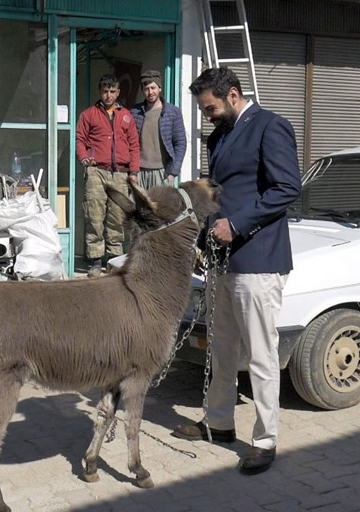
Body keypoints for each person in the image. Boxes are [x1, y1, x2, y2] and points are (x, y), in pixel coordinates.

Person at [172, 67, 302, 475]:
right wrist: (201, 228)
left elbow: (287, 188)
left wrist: (238, 224)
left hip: (258, 261)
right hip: (222, 259)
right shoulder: (220, 135)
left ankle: (265, 440)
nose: (207, 116)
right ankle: (220, 423)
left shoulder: (270, 127)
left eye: (210, 107)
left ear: (232, 94)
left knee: (261, 355)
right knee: (221, 348)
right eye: (203, 110)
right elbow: (221, 192)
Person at [76, 74, 140, 277]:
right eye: (105, 91)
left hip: (120, 174)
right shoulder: (89, 115)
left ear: (118, 92)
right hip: (97, 172)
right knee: (94, 215)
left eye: (113, 91)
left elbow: (134, 145)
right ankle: (95, 260)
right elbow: (80, 139)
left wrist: (134, 171)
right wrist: (84, 158)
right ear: (100, 91)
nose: (109, 95)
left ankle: (113, 260)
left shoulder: (126, 116)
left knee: (117, 218)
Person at [130, 70, 187, 189]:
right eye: (146, 89)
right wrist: (132, 172)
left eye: (153, 88)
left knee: (161, 207)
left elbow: (180, 143)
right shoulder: (135, 112)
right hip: (139, 173)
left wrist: (172, 173)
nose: (150, 92)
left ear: (159, 88)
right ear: (142, 91)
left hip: (162, 173)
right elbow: (128, 142)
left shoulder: (173, 112)